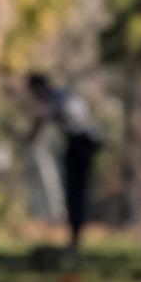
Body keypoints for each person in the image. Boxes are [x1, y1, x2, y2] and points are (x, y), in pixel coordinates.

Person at [25, 73, 102, 259]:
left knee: (75, 194)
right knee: (75, 193)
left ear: (38, 87)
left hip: (82, 143)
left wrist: (28, 140)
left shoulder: (53, 97)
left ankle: (74, 243)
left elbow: (40, 121)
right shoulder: (62, 94)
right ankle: (73, 241)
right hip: (82, 142)